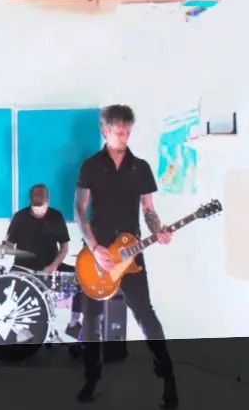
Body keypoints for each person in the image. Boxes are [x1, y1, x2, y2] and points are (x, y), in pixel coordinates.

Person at [74, 105, 177, 407]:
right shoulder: (91, 166)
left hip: (131, 254)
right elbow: (79, 210)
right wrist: (94, 248)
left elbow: (149, 210)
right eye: (118, 132)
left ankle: (168, 380)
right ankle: (92, 379)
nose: (124, 138)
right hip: (97, 254)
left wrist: (158, 230)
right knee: (91, 321)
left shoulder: (140, 167)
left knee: (146, 314)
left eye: (128, 132)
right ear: (105, 130)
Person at [2, 183, 83, 337]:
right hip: (23, 269)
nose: (39, 211)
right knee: (7, 285)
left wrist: (54, 265)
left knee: (81, 276)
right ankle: (19, 329)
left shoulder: (56, 216)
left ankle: (74, 322)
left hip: (50, 266)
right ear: (30, 203)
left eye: (42, 207)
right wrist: (5, 247)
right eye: (35, 207)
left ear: (48, 201)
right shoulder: (19, 217)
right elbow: (10, 246)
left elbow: (64, 247)